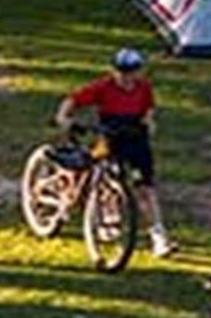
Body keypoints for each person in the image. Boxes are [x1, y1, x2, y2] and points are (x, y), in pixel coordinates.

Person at [54, 47, 172, 258]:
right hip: (110, 136)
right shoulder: (103, 87)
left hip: (136, 140)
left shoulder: (144, 88)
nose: (126, 77)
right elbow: (73, 100)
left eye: (132, 71)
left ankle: (159, 236)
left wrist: (149, 122)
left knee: (145, 188)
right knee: (95, 168)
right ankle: (86, 208)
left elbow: (148, 110)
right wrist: (64, 117)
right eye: (122, 71)